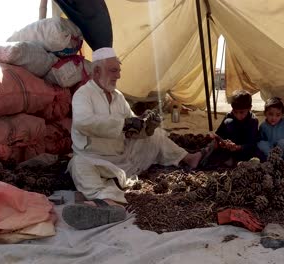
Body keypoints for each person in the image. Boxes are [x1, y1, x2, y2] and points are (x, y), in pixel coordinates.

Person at [62, 47, 209, 229]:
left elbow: (132, 127)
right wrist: (124, 124)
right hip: (95, 159)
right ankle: (107, 203)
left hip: (124, 158)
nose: (118, 76)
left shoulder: (118, 97)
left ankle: (189, 158)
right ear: (97, 71)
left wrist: (146, 126)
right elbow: (84, 123)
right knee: (78, 165)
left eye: (119, 70)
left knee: (157, 136)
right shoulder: (83, 95)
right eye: (114, 71)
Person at [211, 90, 259, 166]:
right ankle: (231, 159)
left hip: (243, 149)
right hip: (229, 148)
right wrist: (222, 142)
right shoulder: (229, 115)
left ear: (250, 108)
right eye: (235, 112)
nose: (238, 115)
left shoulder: (253, 121)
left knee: (255, 154)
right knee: (228, 122)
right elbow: (219, 133)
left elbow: (252, 144)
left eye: (241, 112)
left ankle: (236, 161)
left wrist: (237, 147)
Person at [257, 97, 284, 164]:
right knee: (261, 144)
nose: (274, 118)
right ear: (265, 113)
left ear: (282, 115)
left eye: (278, 115)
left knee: (282, 142)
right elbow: (262, 140)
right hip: (272, 151)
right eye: (271, 114)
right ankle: (274, 162)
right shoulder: (263, 126)